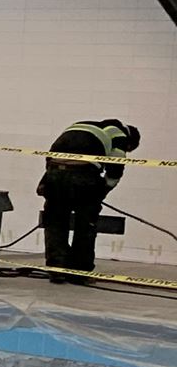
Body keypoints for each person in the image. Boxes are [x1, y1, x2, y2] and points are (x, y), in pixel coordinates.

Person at [38, 118, 140, 282]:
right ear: (130, 142)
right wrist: (103, 190)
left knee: (55, 221)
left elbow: (56, 152)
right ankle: (80, 272)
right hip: (83, 175)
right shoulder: (118, 134)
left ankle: (57, 268)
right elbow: (115, 168)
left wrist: (48, 180)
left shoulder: (82, 124)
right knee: (85, 224)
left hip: (54, 172)